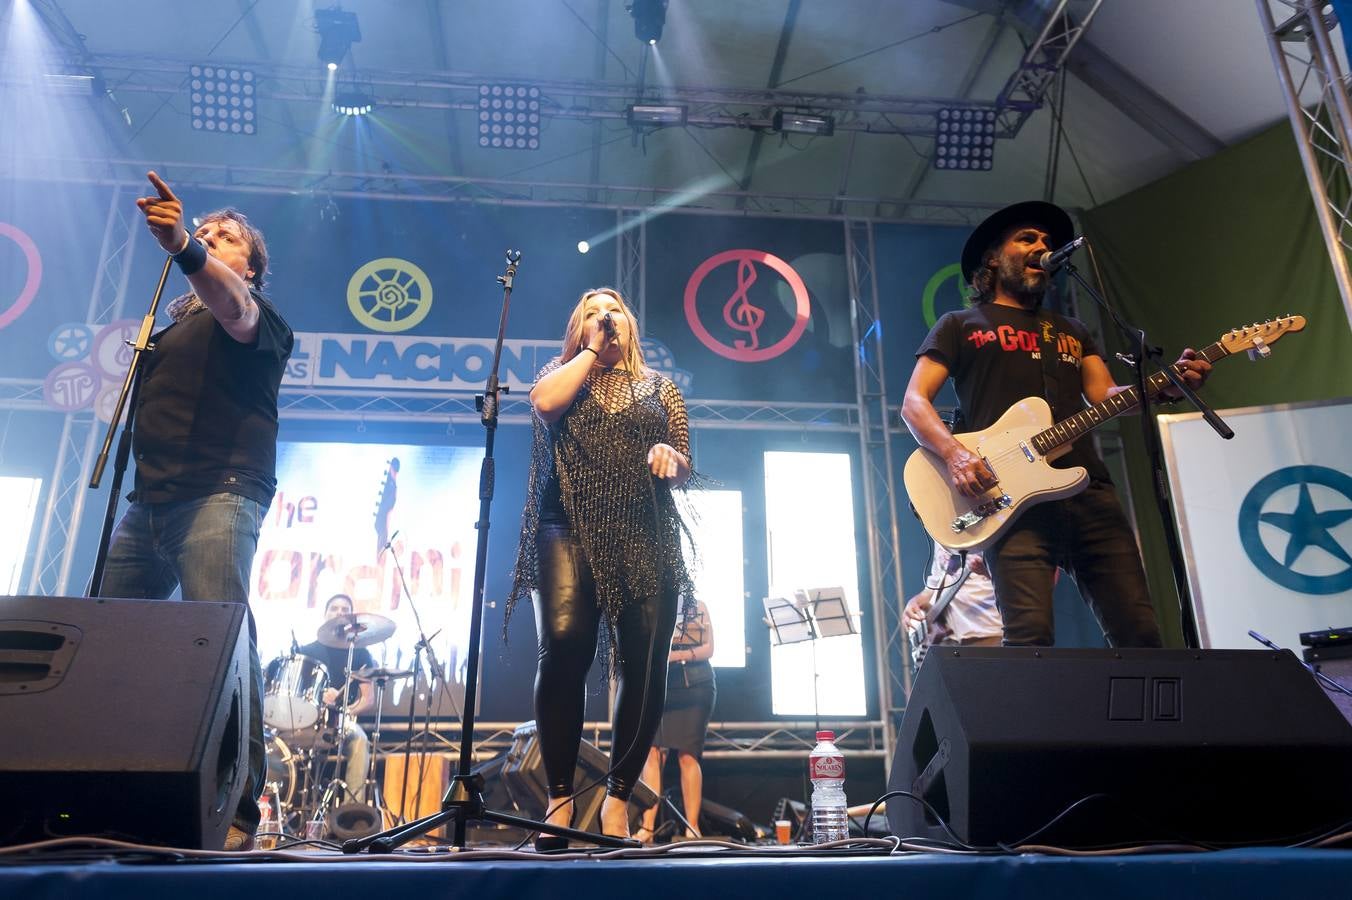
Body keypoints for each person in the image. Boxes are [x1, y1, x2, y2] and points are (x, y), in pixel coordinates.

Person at [900, 201, 1209, 647]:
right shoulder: (960, 325)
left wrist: (1165, 386)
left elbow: (1104, 396)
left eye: (1046, 241)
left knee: (1139, 633)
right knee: (1029, 638)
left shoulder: (1071, 329)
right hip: (1009, 498)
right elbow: (914, 403)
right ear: (992, 258)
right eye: (1026, 238)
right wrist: (956, 455)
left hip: (1088, 491)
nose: (1041, 245)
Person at [95, 172, 294, 850]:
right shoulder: (170, 328)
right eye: (204, 230)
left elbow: (230, 303)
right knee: (104, 645)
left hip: (220, 493)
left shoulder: (255, 314)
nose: (209, 236)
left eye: (224, 236)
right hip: (147, 503)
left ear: (251, 267)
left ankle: (237, 807)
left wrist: (185, 244)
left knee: (220, 645)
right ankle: (102, 791)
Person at [507, 287, 694, 847]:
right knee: (564, 645)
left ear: (631, 327)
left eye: (614, 312)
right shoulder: (562, 373)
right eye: (593, 313)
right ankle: (560, 798)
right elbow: (544, 404)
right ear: (580, 328)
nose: (605, 318)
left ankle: (617, 799)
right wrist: (589, 351)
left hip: (644, 531)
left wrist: (672, 459)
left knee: (645, 664)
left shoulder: (661, 389)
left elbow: (685, 461)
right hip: (566, 526)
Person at [638, 598, 716, 843]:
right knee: (652, 752)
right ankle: (647, 826)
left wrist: (675, 654)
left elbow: (709, 649)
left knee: (688, 755)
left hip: (695, 685)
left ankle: (692, 827)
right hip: (660, 684)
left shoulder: (698, 606)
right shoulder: (652, 605)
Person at [296, 594, 378, 805]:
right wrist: (319, 697)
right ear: (325, 614)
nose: (339, 612)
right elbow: (296, 693)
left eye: (345, 609)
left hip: (341, 721)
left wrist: (345, 711)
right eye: (334, 608)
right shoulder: (307, 651)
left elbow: (368, 700)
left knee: (360, 740)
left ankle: (352, 811)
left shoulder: (360, 654)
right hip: (307, 720)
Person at [902, 544, 1002, 661]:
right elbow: (934, 585)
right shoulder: (940, 536)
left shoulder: (990, 534)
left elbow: (1013, 582)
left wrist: (986, 572)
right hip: (946, 640)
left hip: (986, 634)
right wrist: (914, 602)